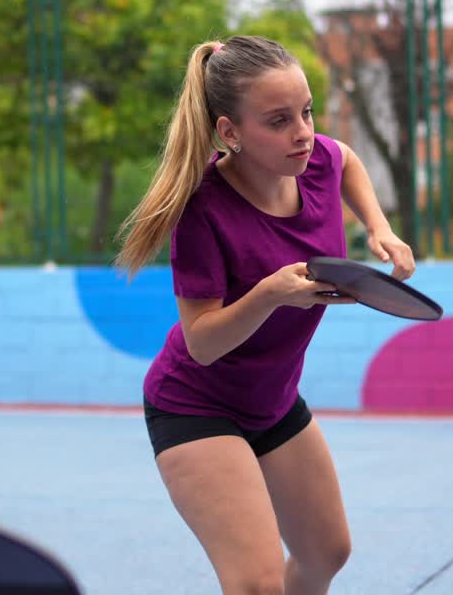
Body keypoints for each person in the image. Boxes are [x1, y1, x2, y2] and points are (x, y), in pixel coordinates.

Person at [115, 35, 416, 595]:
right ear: (230, 133)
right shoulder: (201, 211)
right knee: (256, 585)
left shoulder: (316, 160)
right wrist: (270, 294)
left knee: (327, 553)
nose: (302, 132)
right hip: (196, 406)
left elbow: (346, 158)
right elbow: (202, 343)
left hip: (272, 403)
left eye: (305, 111)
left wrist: (378, 225)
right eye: (278, 121)